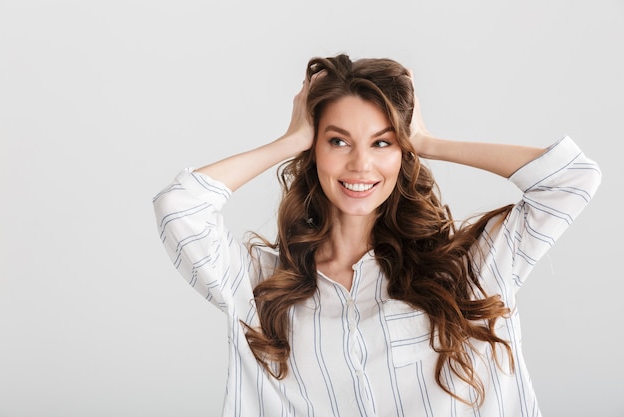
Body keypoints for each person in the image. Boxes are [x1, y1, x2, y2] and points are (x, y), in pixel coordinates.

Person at [153, 54, 601, 416]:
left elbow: (571, 180)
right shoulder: (261, 288)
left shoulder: (468, 269)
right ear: (314, 150)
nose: (361, 165)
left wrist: (426, 142)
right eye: (338, 141)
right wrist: (289, 141)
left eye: (382, 142)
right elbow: (180, 207)